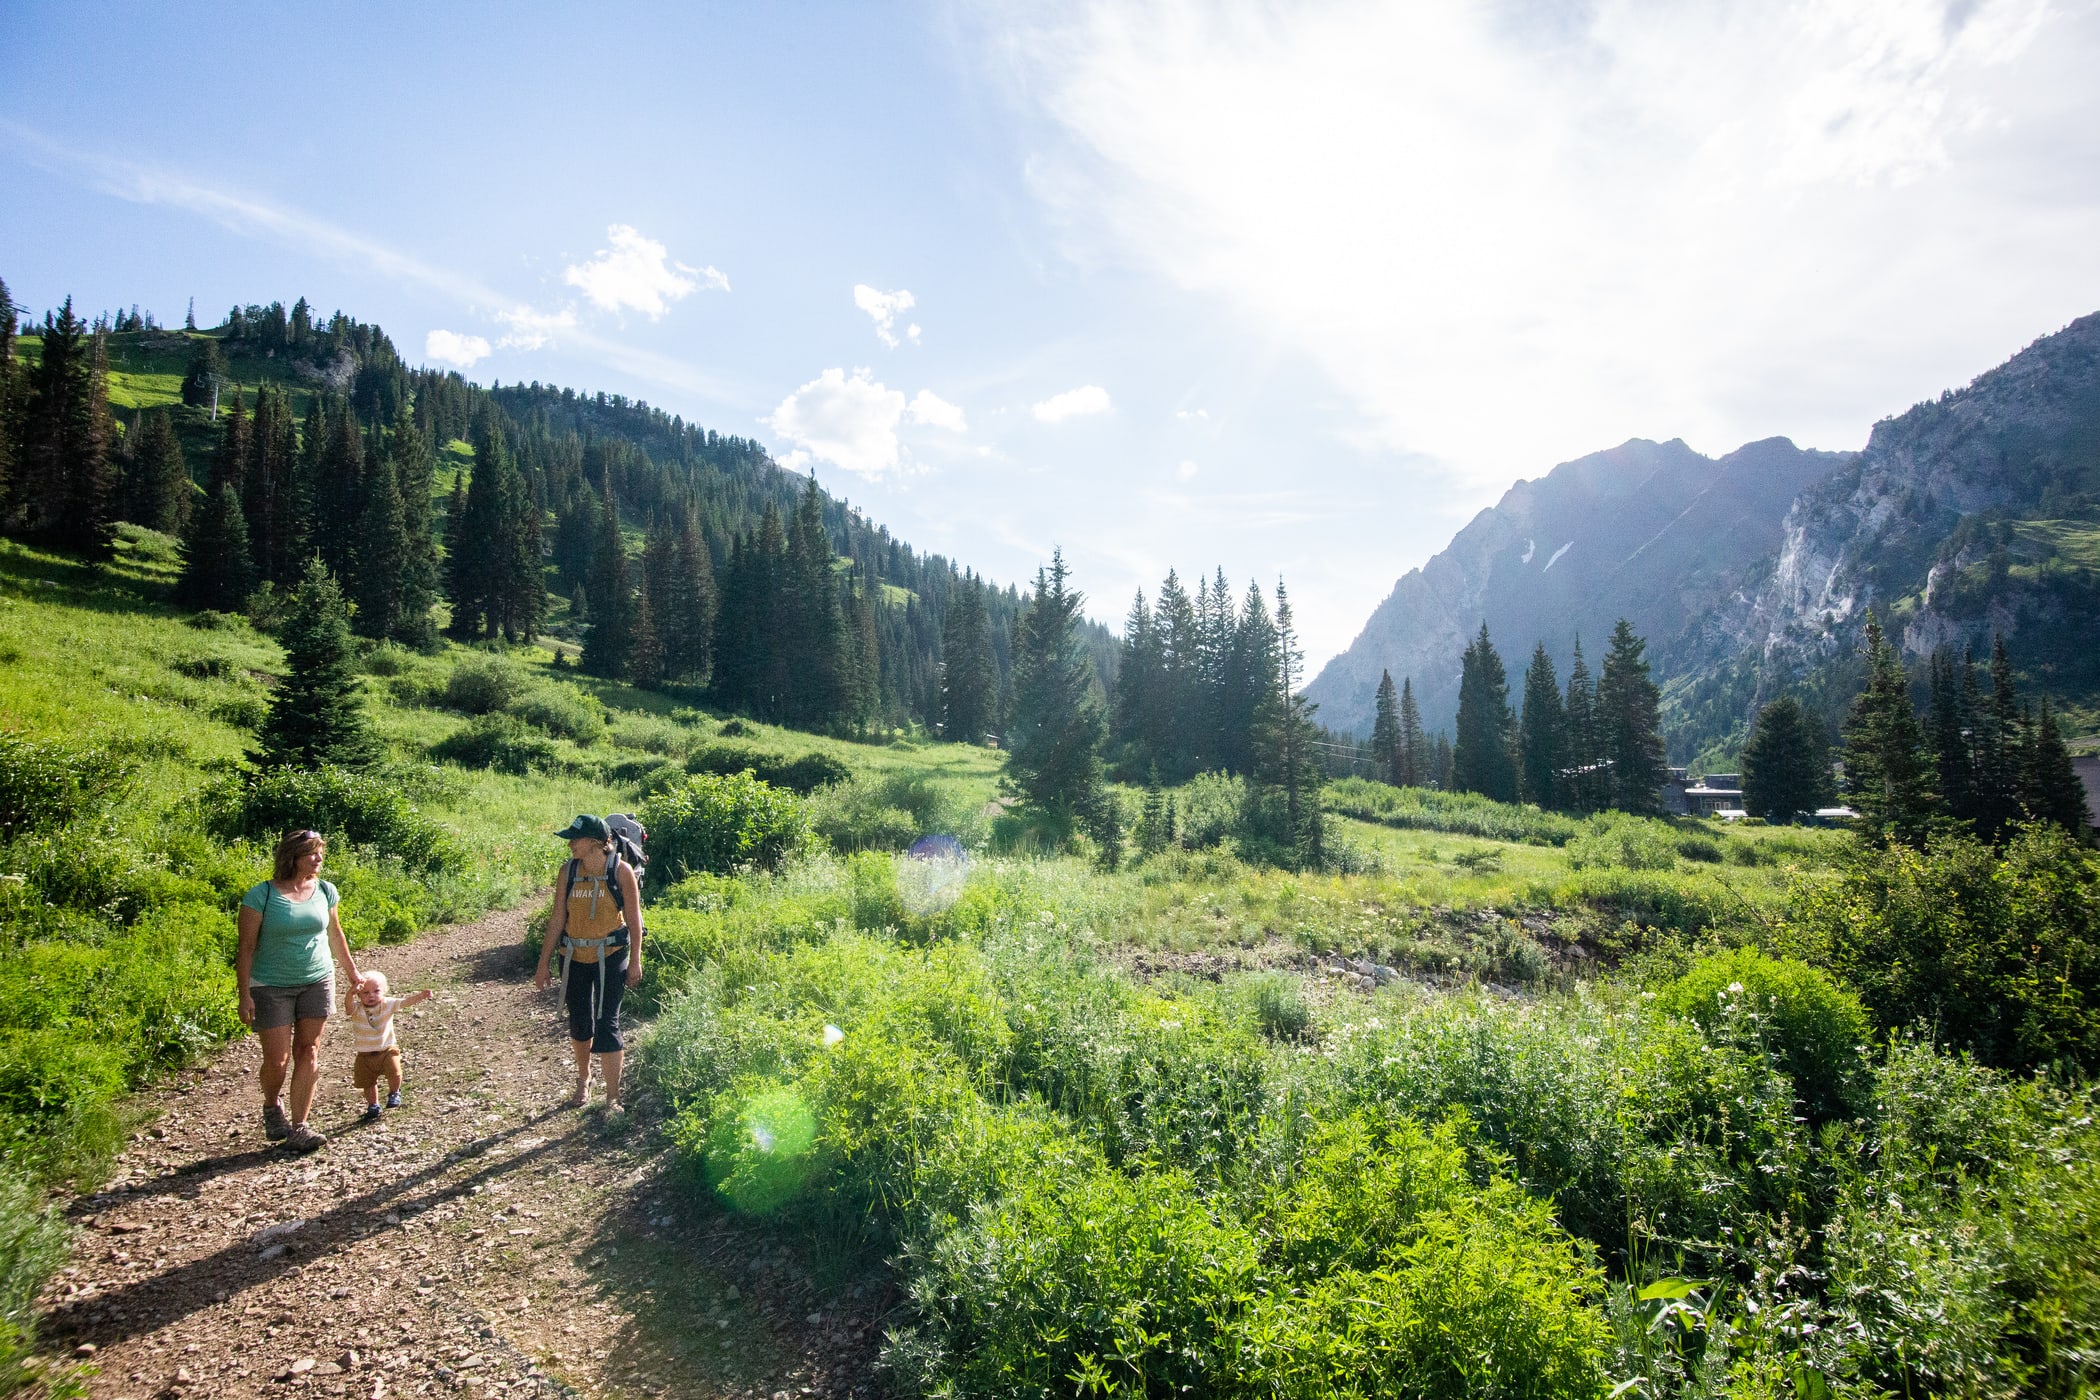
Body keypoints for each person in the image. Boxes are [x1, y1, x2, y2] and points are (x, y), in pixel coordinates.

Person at [237, 829, 361, 1153]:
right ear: (292, 857)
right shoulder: (260, 896)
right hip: (270, 985)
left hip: (316, 980)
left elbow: (336, 935)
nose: (319, 859)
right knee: (277, 1061)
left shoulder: (325, 891)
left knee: (309, 1050)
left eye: (320, 853)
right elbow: (246, 948)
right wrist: (244, 994)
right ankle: (270, 1104)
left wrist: (352, 974)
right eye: (312, 853)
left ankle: (299, 1127)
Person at [534, 815, 644, 1110]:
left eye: (575, 839)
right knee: (580, 1022)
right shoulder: (567, 871)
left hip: (611, 954)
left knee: (607, 1023)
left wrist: (635, 961)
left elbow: (634, 921)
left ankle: (612, 1096)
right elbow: (558, 917)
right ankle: (584, 1079)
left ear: (595, 843)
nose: (570, 844)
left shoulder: (621, 872)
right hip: (573, 956)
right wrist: (543, 962)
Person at [343, 970, 434, 1120]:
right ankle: (373, 1105)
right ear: (358, 995)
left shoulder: (387, 1004)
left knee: (395, 1071)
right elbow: (347, 1008)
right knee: (368, 1082)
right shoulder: (357, 1009)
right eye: (365, 992)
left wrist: (421, 996)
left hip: (387, 1049)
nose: (371, 995)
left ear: (384, 991)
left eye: (376, 991)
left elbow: (404, 1002)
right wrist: (350, 993)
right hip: (365, 1054)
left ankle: (394, 1092)